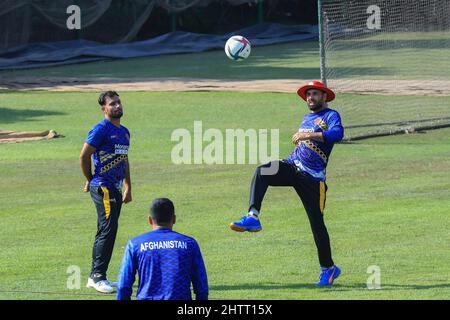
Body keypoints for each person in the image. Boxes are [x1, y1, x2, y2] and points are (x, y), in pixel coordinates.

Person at [229, 81, 344, 286]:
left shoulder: (330, 115)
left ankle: (329, 268)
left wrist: (307, 135)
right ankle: (252, 216)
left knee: (317, 225)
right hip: (293, 166)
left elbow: (337, 134)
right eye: (308, 94)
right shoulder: (307, 117)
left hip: (313, 179)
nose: (310, 97)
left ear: (324, 97)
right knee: (263, 170)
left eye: (315, 94)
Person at [80, 91, 132, 293]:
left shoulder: (125, 132)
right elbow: (84, 156)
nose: (117, 106)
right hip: (103, 187)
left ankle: (99, 275)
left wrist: (128, 186)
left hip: (116, 187)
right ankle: (96, 277)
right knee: (107, 230)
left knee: (108, 230)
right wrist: (89, 179)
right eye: (112, 104)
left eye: (118, 102)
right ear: (104, 109)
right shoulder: (100, 129)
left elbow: (124, 159)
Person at [117, 198, 208, 300]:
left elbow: (123, 286)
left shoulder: (135, 244)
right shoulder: (189, 244)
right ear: (174, 219)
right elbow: (201, 286)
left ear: (150, 220)